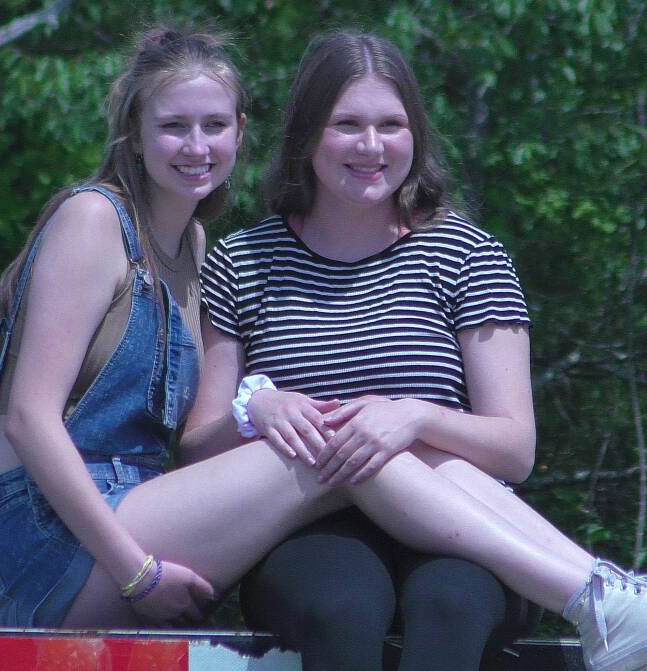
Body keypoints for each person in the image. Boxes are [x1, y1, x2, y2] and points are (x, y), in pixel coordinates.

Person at [0, 26, 645, 671]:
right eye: (173, 126)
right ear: (134, 132)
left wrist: (407, 415)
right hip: (51, 535)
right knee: (338, 439)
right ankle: (595, 596)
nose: (196, 146)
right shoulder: (95, 219)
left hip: (131, 509)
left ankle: (603, 594)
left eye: (214, 126)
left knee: (364, 437)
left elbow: (510, 444)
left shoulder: (189, 244)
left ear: (240, 132)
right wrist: (139, 570)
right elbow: (28, 420)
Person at [185, 31, 647, 671]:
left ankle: (608, 610)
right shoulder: (242, 261)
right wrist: (256, 411)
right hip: (308, 528)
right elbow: (196, 451)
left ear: (417, 136)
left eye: (391, 125)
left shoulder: (468, 254)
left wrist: (416, 417)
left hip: (461, 520)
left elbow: (515, 449)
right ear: (306, 136)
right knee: (341, 610)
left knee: (450, 606)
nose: (371, 146)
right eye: (347, 125)